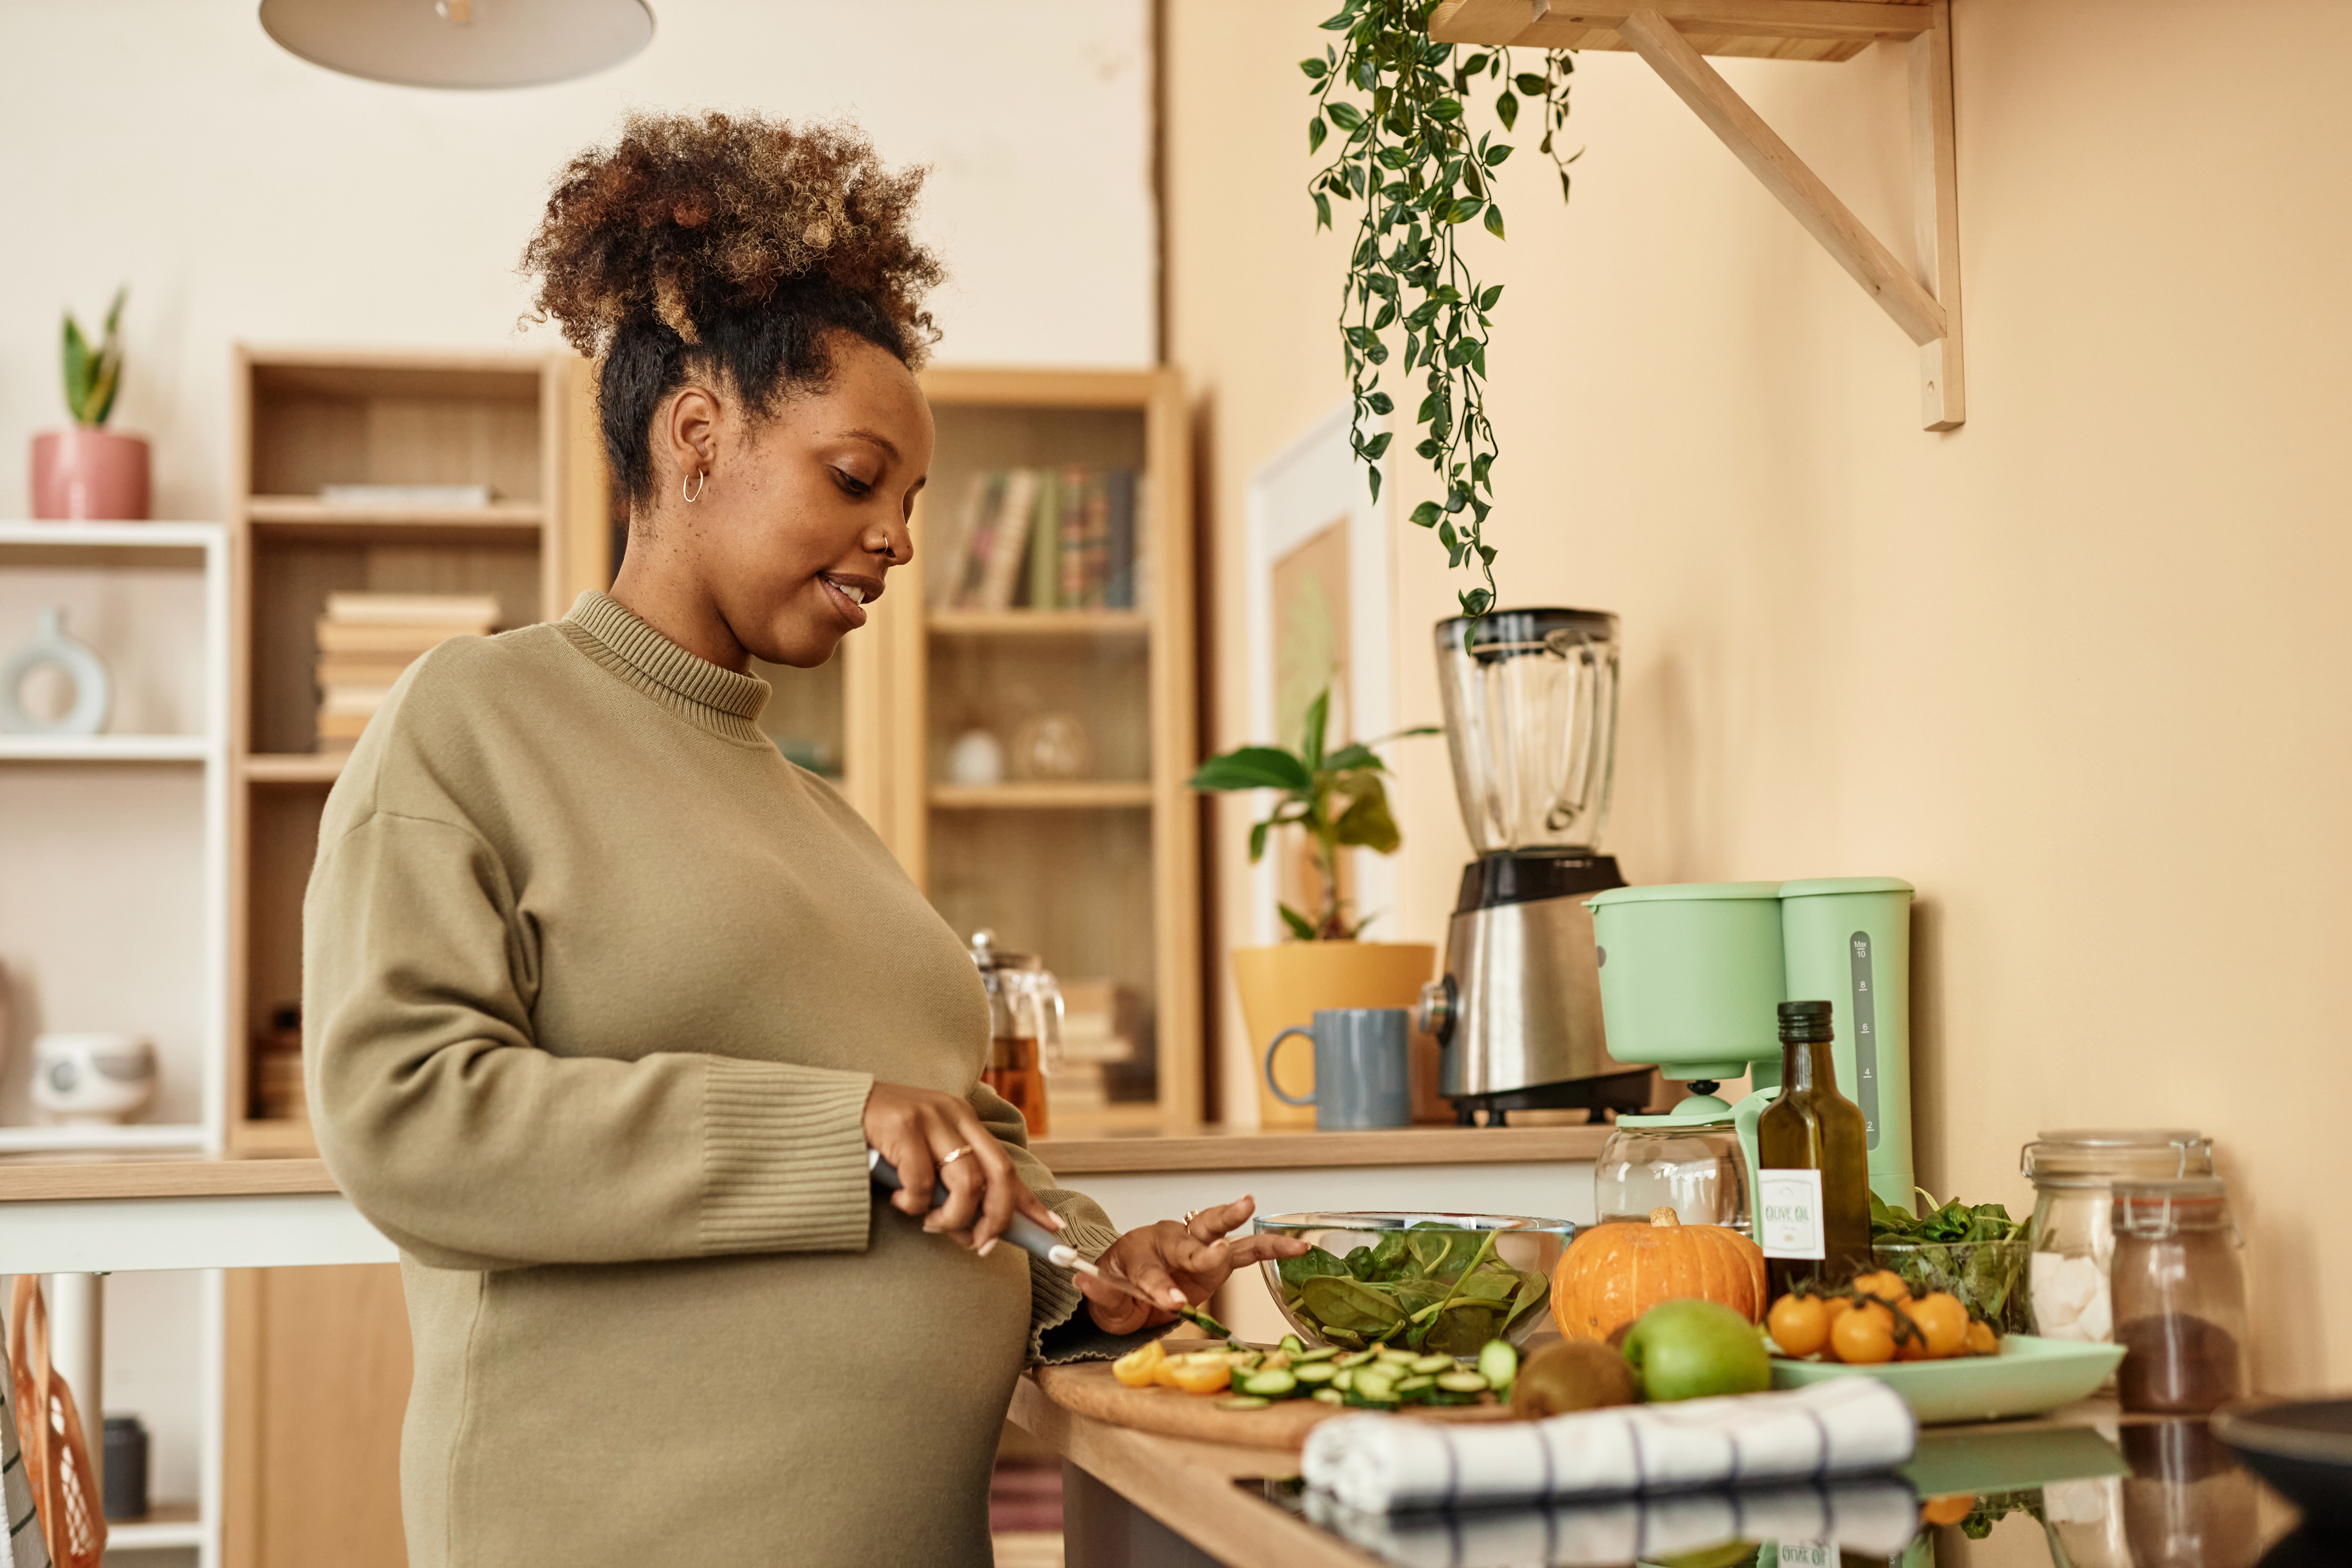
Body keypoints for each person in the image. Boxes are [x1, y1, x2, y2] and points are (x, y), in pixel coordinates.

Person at [304, 111, 1304, 1567]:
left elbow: (952, 1140)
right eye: (855, 480)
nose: (897, 539)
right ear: (696, 436)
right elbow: (401, 1117)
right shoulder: (478, 717)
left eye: (909, 504)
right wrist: (829, 1124)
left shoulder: (822, 807)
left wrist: (1084, 1272)